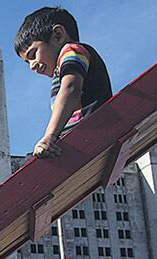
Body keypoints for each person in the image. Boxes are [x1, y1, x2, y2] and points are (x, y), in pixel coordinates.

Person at [15, 6, 112, 158]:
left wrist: (50, 137)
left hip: (88, 128)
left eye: (33, 54)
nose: (32, 65)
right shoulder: (60, 70)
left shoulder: (72, 50)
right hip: (81, 134)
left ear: (58, 35)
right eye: (27, 62)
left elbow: (71, 89)